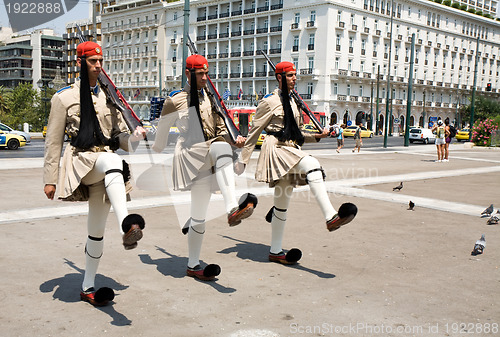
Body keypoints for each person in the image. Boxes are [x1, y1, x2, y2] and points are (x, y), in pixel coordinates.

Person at [43, 41, 147, 306]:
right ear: (80, 62)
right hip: (82, 161)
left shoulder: (109, 97)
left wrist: (135, 138)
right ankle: (127, 223)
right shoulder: (64, 97)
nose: (98, 66)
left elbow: (119, 138)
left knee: (96, 230)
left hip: (106, 168)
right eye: (92, 61)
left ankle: (88, 287)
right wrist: (50, 179)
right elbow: (53, 141)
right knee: (112, 160)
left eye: (100, 61)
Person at [238, 61, 357, 265]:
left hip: (291, 148)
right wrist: (243, 160)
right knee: (312, 164)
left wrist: (317, 135)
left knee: (282, 203)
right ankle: (330, 217)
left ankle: (275, 251)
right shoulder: (268, 102)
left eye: (295, 75)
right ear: (279, 77)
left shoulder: (294, 102)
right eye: (291, 75)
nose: (295, 78)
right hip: (276, 149)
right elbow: (254, 131)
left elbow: (298, 133)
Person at [152, 54, 257, 281]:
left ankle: (193, 264)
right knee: (219, 152)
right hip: (190, 153)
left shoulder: (210, 98)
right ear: (188, 74)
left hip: (209, 152)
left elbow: (220, 129)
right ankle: (231, 209)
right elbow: (161, 133)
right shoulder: (175, 100)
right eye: (200, 74)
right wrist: (157, 147)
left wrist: (234, 139)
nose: (204, 78)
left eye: (206, 73)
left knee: (199, 213)